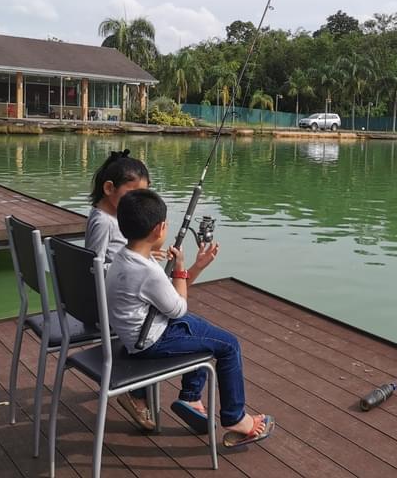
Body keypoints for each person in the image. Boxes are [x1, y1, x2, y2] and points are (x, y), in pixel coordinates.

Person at [107, 189, 274, 445]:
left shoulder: (124, 258)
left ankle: (191, 397)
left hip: (141, 334)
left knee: (200, 328)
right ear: (159, 229)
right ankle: (235, 417)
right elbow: (178, 308)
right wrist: (182, 267)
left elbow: (169, 301)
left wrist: (195, 267)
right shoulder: (146, 271)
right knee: (229, 346)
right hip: (151, 342)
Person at [85, 149, 156, 430]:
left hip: (111, 296)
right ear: (109, 188)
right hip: (108, 303)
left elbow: (113, 256)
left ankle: (136, 390)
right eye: (133, 194)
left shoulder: (111, 217)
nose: (139, 203)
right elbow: (92, 264)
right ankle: (136, 395)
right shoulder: (103, 221)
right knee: (159, 325)